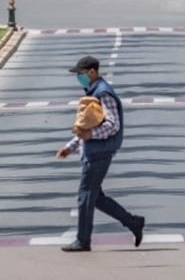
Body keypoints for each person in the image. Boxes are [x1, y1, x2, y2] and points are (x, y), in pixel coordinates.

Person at [55, 55, 145, 252]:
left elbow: (112, 126)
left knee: (85, 196)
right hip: (94, 151)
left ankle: (83, 240)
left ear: (92, 72)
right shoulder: (93, 91)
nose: (78, 77)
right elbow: (87, 127)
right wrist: (70, 147)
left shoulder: (103, 93)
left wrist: (90, 135)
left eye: (80, 74)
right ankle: (133, 222)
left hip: (99, 153)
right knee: (96, 198)